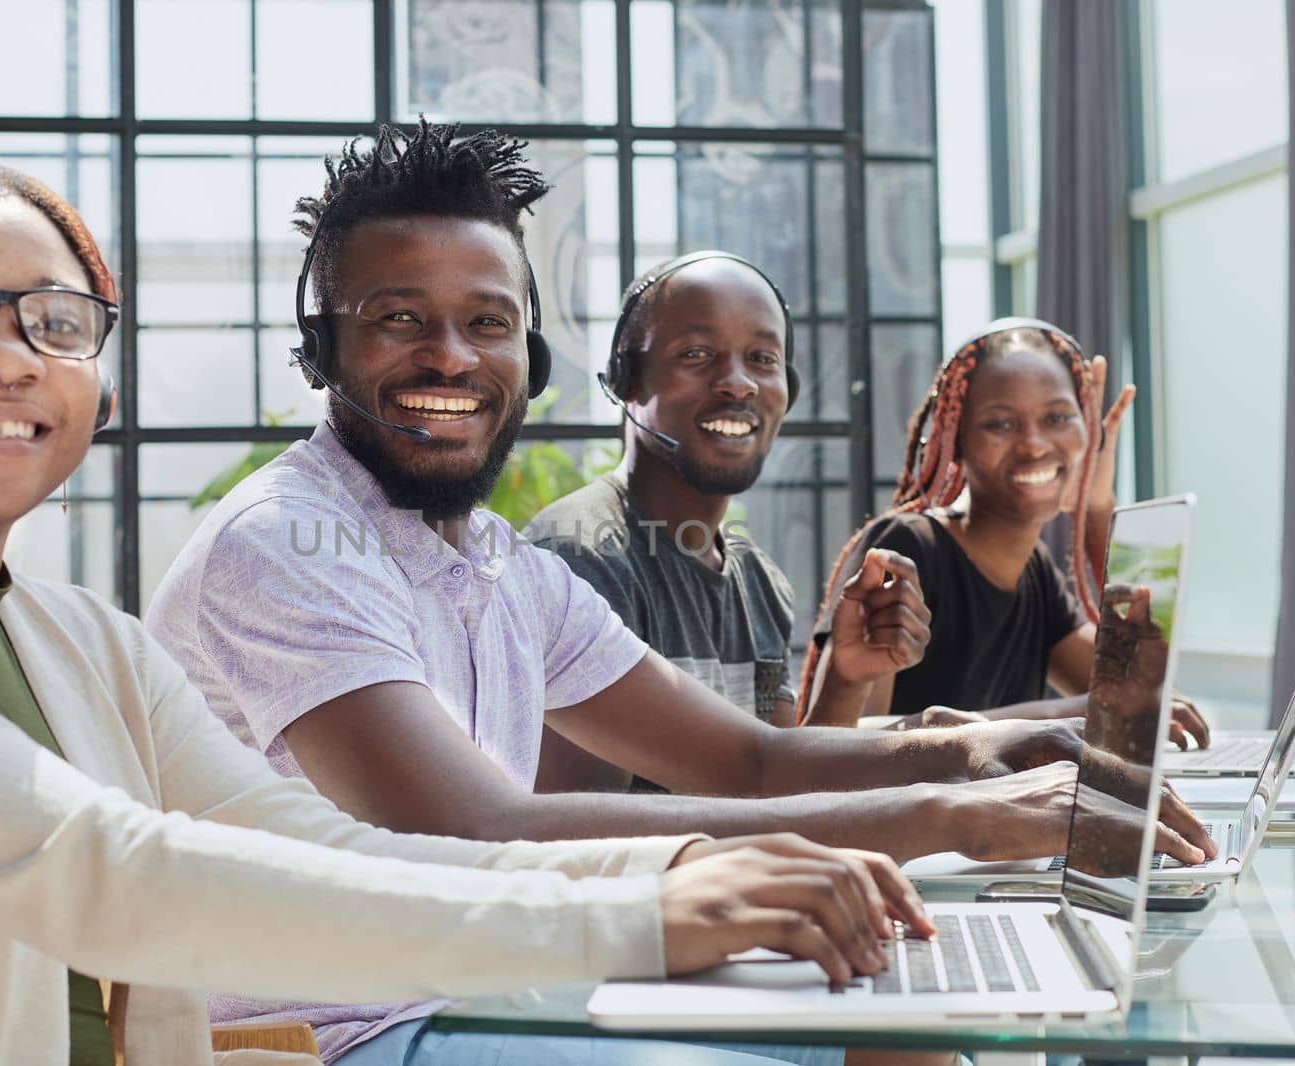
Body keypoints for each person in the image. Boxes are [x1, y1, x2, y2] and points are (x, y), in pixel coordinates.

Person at [0, 156, 941, 1066]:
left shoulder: (75, 636)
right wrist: (642, 906)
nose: (1, 356)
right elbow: (116, 874)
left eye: (55, 322)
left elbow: (327, 848)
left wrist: (678, 859)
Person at [146, 122, 1214, 1056]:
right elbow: (474, 832)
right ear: (319, 346)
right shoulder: (290, 543)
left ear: (530, 351)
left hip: (492, 989)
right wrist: (959, 815)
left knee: (914, 1020)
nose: (450, 356)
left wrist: (977, 750)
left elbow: (746, 754)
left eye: (484, 321)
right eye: (396, 319)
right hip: (346, 1035)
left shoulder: (499, 565)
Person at [524, 251, 932, 793]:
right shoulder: (579, 558)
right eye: (696, 354)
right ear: (625, 381)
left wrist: (845, 680)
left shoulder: (758, 581)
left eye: (762, 358)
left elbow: (786, 795)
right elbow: (590, 843)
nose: (738, 384)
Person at [797, 319, 1211, 752]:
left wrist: (1096, 506)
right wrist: (1064, 715)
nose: (1034, 444)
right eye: (1000, 424)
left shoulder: (1035, 573)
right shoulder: (908, 547)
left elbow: (1135, 686)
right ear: (955, 439)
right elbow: (852, 748)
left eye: (1057, 417)